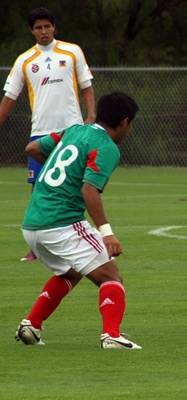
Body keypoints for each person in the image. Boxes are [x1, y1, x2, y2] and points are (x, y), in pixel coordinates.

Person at [15, 91, 141, 350]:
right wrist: (107, 233)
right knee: (110, 276)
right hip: (61, 223)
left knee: (70, 272)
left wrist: (63, 177)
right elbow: (89, 190)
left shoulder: (74, 131)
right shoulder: (107, 147)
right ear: (125, 122)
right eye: (131, 125)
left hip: (32, 224)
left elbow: (33, 148)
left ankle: (32, 324)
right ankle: (111, 336)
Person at [0, 7, 95, 262]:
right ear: (31, 31)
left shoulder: (72, 52)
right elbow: (10, 97)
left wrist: (91, 116)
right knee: (38, 188)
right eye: (38, 28)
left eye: (47, 26)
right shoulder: (25, 60)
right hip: (40, 133)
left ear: (54, 27)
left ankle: (77, 236)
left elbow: (86, 85)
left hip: (72, 131)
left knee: (75, 185)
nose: (44, 31)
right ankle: (37, 246)